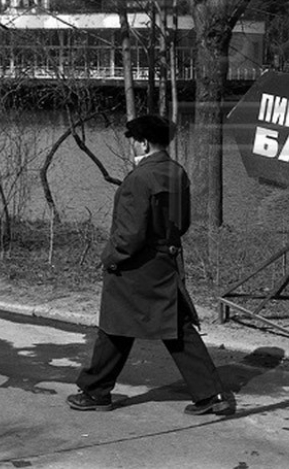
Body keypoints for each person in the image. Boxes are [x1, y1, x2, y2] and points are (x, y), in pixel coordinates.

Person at [67, 114, 234, 416]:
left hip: (135, 269)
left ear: (143, 142)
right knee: (177, 329)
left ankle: (95, 392)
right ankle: (212, 395)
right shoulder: (177, 172)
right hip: (165, 264)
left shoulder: (138, 179)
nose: (131, 146)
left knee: (115, 327)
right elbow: (181, 224)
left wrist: (109, 258)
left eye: (132, 141)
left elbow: (129, 237)